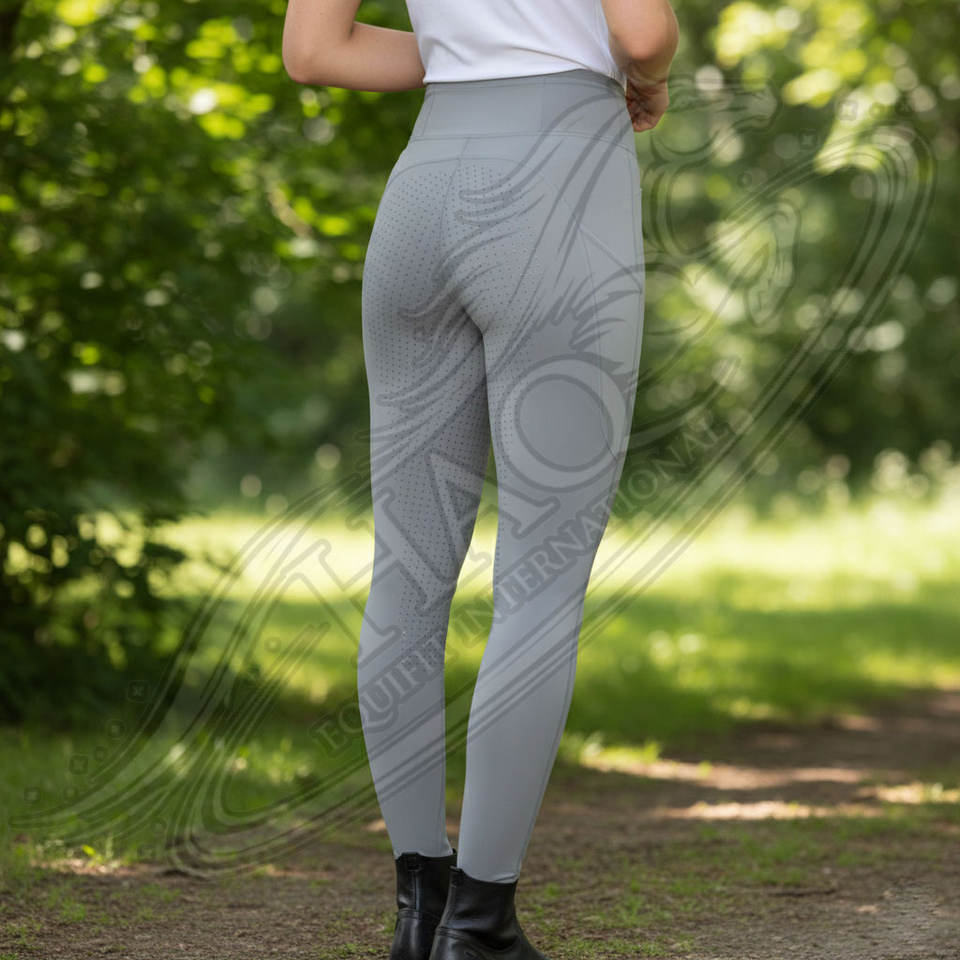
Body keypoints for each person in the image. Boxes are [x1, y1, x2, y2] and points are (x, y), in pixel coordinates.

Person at [282, 2, 679, 958]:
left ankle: (420, 911)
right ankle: (479, 924)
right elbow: (643, 34)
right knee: (540, 582)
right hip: (559, 185)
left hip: (424, 189)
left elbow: (315, 51)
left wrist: (470, 50)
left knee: (407, 573)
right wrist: (650, 78)